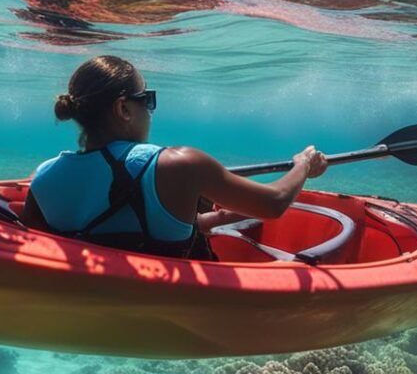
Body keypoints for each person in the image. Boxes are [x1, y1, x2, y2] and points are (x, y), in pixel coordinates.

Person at [22, 55, 329, 259]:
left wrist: (216, 218)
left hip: (101, 305)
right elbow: (274, 203)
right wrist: (303, 164)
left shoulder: (43, 177)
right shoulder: (179, 164)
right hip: (177, 305)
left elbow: (115, 231)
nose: (151, 111)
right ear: (124, 109)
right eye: (147, 100)